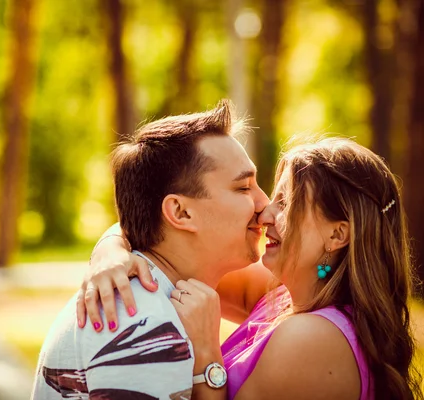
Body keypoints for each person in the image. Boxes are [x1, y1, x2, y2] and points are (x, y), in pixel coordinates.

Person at [78, 137, 424, 399]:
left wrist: (207, 353)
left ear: (337, 234)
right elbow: (165, 240)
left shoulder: (313, 340)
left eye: (287, 203)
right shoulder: (281, 295)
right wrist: (110, 253)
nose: (265, 213)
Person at [30, 100, 270, 399]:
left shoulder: (154, 302)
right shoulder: (144, 325)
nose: (265, 205)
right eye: (243, 188)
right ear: (181, 213)